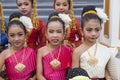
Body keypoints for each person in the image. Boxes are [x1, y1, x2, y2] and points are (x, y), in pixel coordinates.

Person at [72, 5, 112, 80]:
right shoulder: (77, 51)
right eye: (89, 30)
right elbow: (74, 74)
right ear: (81, 31)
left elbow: (105, 68)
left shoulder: (104, 49)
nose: (93, 33)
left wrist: (108, 77)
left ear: (101, 29)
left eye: (97, 30)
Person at [0, 12, 37, 80]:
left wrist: (32, 78)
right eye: (12, 35)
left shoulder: (31, 52)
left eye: (20, 34)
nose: (16, 39)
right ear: (7, 37)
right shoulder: (4, 54)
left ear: (25, 35)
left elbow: (38, 71)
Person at [37, 16, 72, 80]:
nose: (55, 35)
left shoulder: (67, 50)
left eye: (58, 32)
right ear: (46, 34)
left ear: (64, 34)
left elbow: (70, 73)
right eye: (51, 31)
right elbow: (39, 75)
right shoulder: (41, 51)